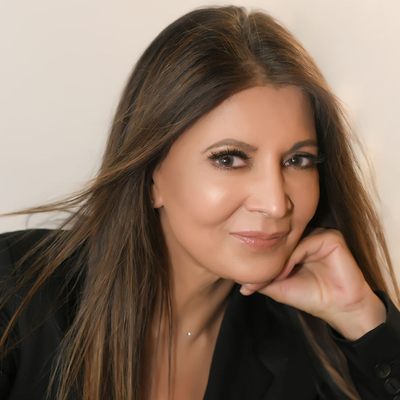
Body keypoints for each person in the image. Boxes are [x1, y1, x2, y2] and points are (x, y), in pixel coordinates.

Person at [1, 5, 400, 400]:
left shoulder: (306, 347)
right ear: (151, 175)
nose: (276, 204)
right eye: (229, 159)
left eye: (298, 160)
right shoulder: (14, 292)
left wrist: (360, 317)